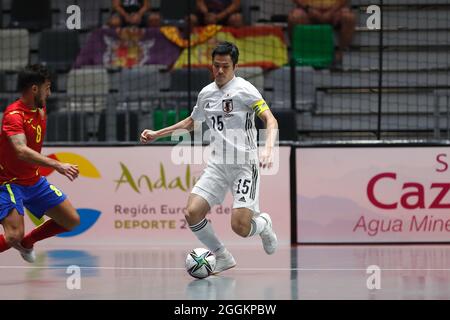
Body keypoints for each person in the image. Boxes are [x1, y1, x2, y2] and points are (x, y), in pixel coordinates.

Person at [140, 42, 278, 274]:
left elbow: (270, 120)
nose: (220, 71)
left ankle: (264, 224)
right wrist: (157, 134)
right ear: (211, 66)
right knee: (192, 212)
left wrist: (268, 148)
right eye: (216, 66)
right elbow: (190, 122)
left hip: (244, 165)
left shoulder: (245, 89)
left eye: (225, 66)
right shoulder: (206, 93)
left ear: (235, 66)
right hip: (217, 165)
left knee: (240, 227)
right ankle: (223, 256)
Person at [0, 64, 80, 263]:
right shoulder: (13, 116)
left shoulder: (41, 110)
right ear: (35, 89)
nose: (49, 93)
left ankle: (28, 243)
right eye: (47, 87)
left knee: (71, 220)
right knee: (12, 236)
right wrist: (57, 165)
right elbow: (20, 150)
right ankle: (20, 240)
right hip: (8, 182)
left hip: (33, 181)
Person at [288, 0, 356, 67]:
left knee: (348, 17)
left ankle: (339, 54)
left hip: (335, 11)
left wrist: (331, 11)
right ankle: (298, 54)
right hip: (307, 10)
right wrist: (309, 9)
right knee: (294, 17)